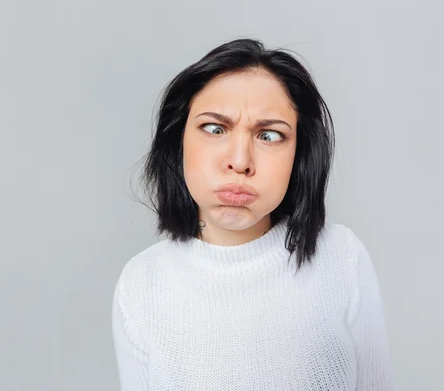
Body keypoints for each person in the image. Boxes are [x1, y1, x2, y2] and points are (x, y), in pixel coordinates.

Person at [112, 38, 396, 390]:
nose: (241, 161)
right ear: (178, 140)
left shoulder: (341, 258)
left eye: (270, 135)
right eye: (215, 129)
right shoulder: (142, 282)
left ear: (300, 155)